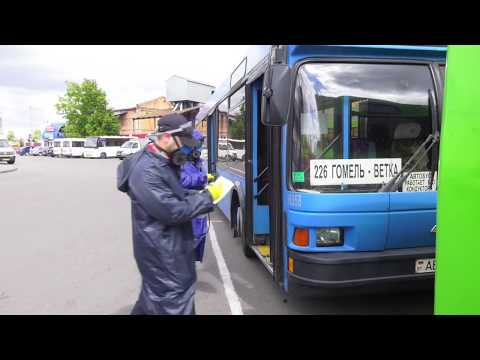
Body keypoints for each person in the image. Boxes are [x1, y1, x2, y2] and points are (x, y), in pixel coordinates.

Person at [117, 113, 224, 315]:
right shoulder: (146, 171)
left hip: (168, 251)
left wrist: (197, 192)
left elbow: (174, 193)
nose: (184, 148)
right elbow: (172, 211)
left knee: (153, 303)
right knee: (173, 303)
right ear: (165, 137)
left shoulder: (162, 160)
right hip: (162, 256)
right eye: (182, 142)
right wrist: (208, 197)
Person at [179, 129, 212, 262]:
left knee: (198, 236)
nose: (200, 147)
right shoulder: (180, 161)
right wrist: (203, 178)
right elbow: (182, 180)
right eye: (198, 144)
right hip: (188, 208)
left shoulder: (197, 161)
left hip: (198, 207)